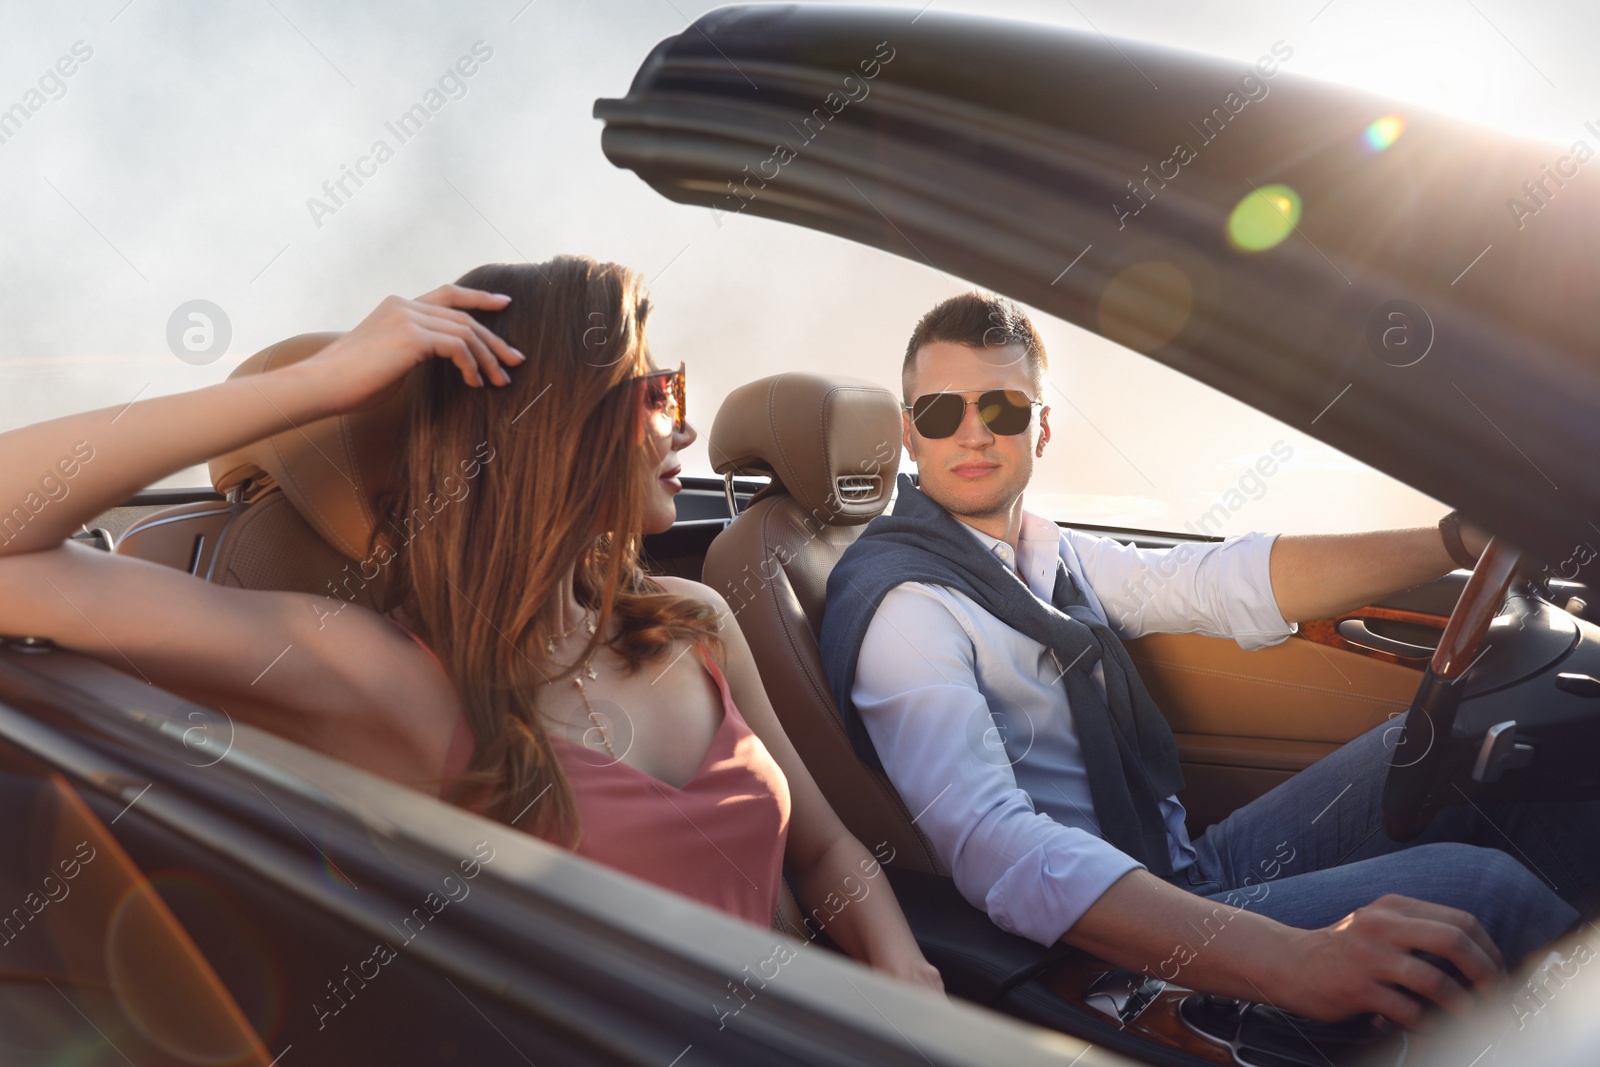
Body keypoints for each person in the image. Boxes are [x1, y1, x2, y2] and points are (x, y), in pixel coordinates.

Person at [0, 255, 941, 993]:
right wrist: (318, 384)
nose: (684, 431)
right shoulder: (392, 682)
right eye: (658, 395)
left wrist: (906, 979)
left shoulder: (691, 621)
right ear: (551, 427)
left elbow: (823, 850)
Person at [818, 290, 1600, 1026]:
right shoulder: (910, 609)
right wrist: (1292, 958)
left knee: (1451, 748)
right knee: (1484, 891)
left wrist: (1453, 540)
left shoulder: (1039, 554)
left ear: (1041, 428)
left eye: (1001, 407)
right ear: (909, 428)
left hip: (1180, 862)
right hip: (1109, 945)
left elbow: (1216, 581)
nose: (974, 431)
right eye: (943, 409)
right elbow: (997, 849)